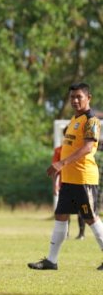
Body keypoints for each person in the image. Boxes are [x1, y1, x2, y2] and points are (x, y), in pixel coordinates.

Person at [29, 83, 103, 270]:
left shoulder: (91, 120)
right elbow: (67, 150)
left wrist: (61, 164)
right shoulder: (74, 119)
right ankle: (51, 261)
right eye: (72, 97)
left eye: (79, 97)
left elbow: (87, 147)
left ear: (88, 98)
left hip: (84, 178)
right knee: (61, 215)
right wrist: (59, 174)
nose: (75, 100)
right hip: (69, 180)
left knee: (91, 218)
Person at [52, 135, 85, 239]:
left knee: (82, 211)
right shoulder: (59, 150)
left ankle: (81, 234)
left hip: (80, 182)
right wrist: (55, 185)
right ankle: (65, 234)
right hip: (65, 183)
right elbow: (55, 169)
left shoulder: (81, 149)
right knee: (64, 210)